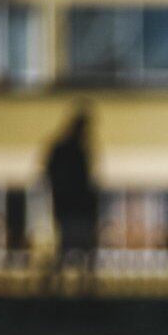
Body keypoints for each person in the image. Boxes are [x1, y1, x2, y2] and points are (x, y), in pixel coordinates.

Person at [43, 109, 98, 277]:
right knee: (73, 246)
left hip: (72, 205)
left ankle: (76, 284)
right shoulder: (69, 150)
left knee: (78, 247)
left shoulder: (71, 149)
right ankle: (68, 284)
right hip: (72, 206)